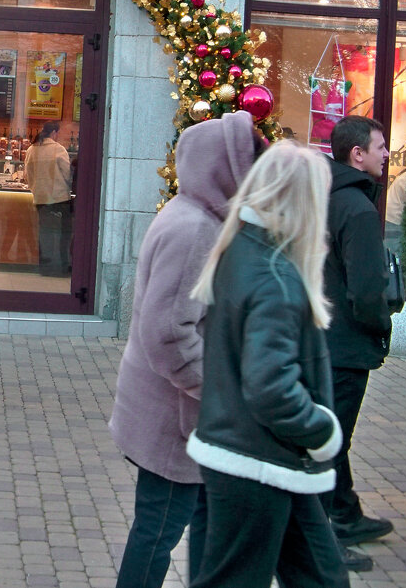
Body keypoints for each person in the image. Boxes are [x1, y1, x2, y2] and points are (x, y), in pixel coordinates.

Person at [186, 141, 349, 588]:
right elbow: (271, 386)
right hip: (258, 457)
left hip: (258, 454)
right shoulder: (275, 274)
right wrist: (321, 430)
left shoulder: (242, 251)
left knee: (321, 576)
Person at [109, 110, 260, 588]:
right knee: (156, 533)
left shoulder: (193, 214)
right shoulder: (196, 226)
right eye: (249, 164)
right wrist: (217, 390)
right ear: (225, 166)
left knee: (172, 526)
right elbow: (167, 333)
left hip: (176, 412)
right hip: (177, 418)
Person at [322, 116, 394, 559]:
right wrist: (381, 326)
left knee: (331, 433)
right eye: (381, 146)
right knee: (331, 441)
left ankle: (346, 514)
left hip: (319, 336)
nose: (387, 154)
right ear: (357, 155)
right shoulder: (359, 209)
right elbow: (368, 289)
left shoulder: (321, 197)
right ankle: (323, 537)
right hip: (346, 344)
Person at [23, 121, 72, 276]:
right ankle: (61, 267)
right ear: (54, 133)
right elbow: (67, 174)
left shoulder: (31, 149)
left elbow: (27, 176)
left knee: (45, 234)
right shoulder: (59, 149)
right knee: (62, 235)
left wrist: (35, 189)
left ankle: (45, 267)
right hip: (60, 199)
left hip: (41, 199)